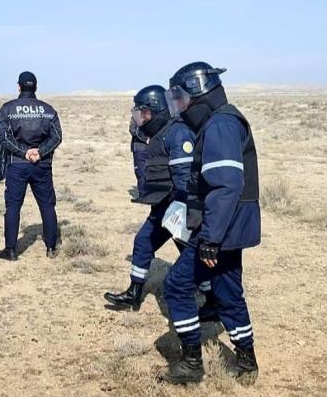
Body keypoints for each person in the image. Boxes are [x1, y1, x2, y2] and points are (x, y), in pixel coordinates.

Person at [160, 62, 261, 385]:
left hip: (220, 229)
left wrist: (210, 239)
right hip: (232, 226)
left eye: (180, 97)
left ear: (198, 92)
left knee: (176, 285)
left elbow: (225, 185)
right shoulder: (223, 120)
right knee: (227, 291)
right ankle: (247, 361)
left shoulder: (220, 124)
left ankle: (191, 362)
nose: (179, 106)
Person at [103, 85, 200, 310]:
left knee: (190, 252)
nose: (142, 118)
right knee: (143, 242)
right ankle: (134, 294)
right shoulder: (161, 133)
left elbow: (184, 177)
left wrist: (182, 211)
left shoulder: (178, 133)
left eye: (144, 113)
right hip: (163, 205)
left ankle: (212, 296)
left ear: (157, 109)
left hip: (179, 207)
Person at [0, 71, 62, 261]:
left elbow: (4, 137)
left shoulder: (8, 109)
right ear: (36, 87)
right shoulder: (47, 110)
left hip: (17, 165)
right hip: (42, 165)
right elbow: (57, 137)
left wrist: (25, 153)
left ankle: (10, 250)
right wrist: (39, 152)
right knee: (47, 205)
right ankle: (51, 247)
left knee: (13, 206)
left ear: (19, 87)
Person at [129, 117, 148, 200]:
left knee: (145, 172)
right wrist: (145, 138)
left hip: (147, 148)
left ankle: (146, 195)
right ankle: (144, 195)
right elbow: (132, 130)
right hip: (140, 148)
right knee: (141, 172)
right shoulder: (136, 116)